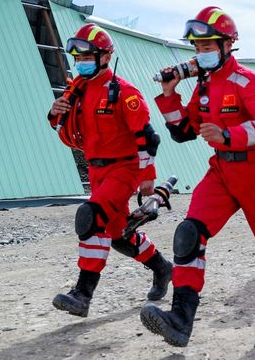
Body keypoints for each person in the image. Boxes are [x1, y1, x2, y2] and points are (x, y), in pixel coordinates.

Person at [141, 7, 255, 347]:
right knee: (188, 234)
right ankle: (180, 320)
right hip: (222, 171)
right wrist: (169, 96)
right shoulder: (204, 88)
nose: (201, 54)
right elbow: (183, 132)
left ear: (228, 45)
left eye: (207, 46)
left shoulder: (250, 82)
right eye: (196, 48)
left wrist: (231, 136)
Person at [48, 23, 172, 317]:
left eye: (87, 56)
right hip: (96, 169)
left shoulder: (125, 93)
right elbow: (65, 129)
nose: (81, 63)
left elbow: (146, 137)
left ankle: (82, 294)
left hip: (124, 169)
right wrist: (53, 113)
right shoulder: (77, 91)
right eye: (78, 58)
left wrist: (148, 177)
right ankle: (162, 268)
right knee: (117, 234)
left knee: (91, 219)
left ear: (105, 57)